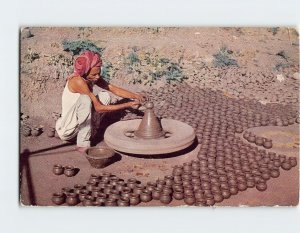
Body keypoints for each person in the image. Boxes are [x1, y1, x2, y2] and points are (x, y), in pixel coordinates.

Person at [55, 50, 145, 152]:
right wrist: (128, 104)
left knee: (105, 96)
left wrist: (136, 96)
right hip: (68, 130)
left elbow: (113, 89)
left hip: (78, 123)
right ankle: (82, 143)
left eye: (98, 73)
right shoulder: (78, 81)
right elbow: (99, 108)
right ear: (85, 72)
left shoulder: (91, 76)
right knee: (86, 100)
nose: (97, 77)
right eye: (94, 75)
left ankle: (91, 132)